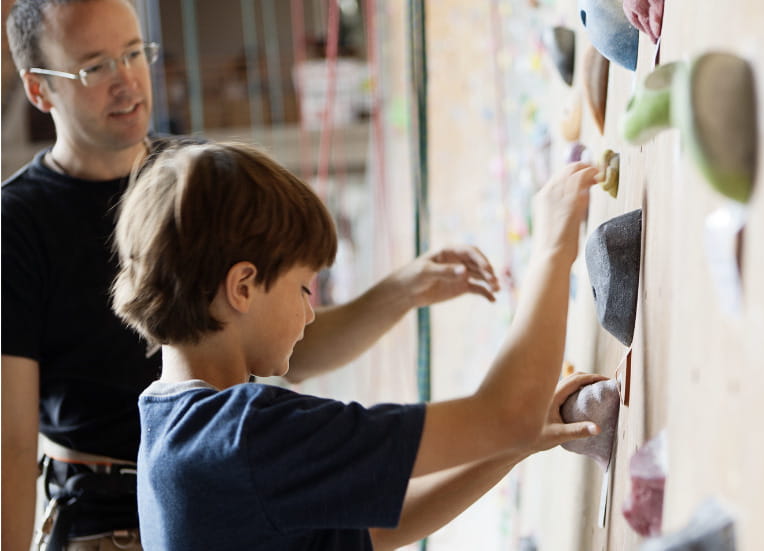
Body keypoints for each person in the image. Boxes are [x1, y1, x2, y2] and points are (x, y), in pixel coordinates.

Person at [1, 1, 500, 548]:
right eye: (94, 67)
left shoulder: (193, 176)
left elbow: (282, 343)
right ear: (39, 89)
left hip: (236, 487)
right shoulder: (17, 224)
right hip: (108, 521)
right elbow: (12, 444)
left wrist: (403, 290)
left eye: (134, 52)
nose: (126, 81)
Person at [111, 141, 601, 550]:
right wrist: (553, 247)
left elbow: (372, 531)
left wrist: (511, 443)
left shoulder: (170, 431)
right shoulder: (244, 435)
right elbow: (505, 412)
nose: (309, 313)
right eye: (304, 288)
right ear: (242, 287)